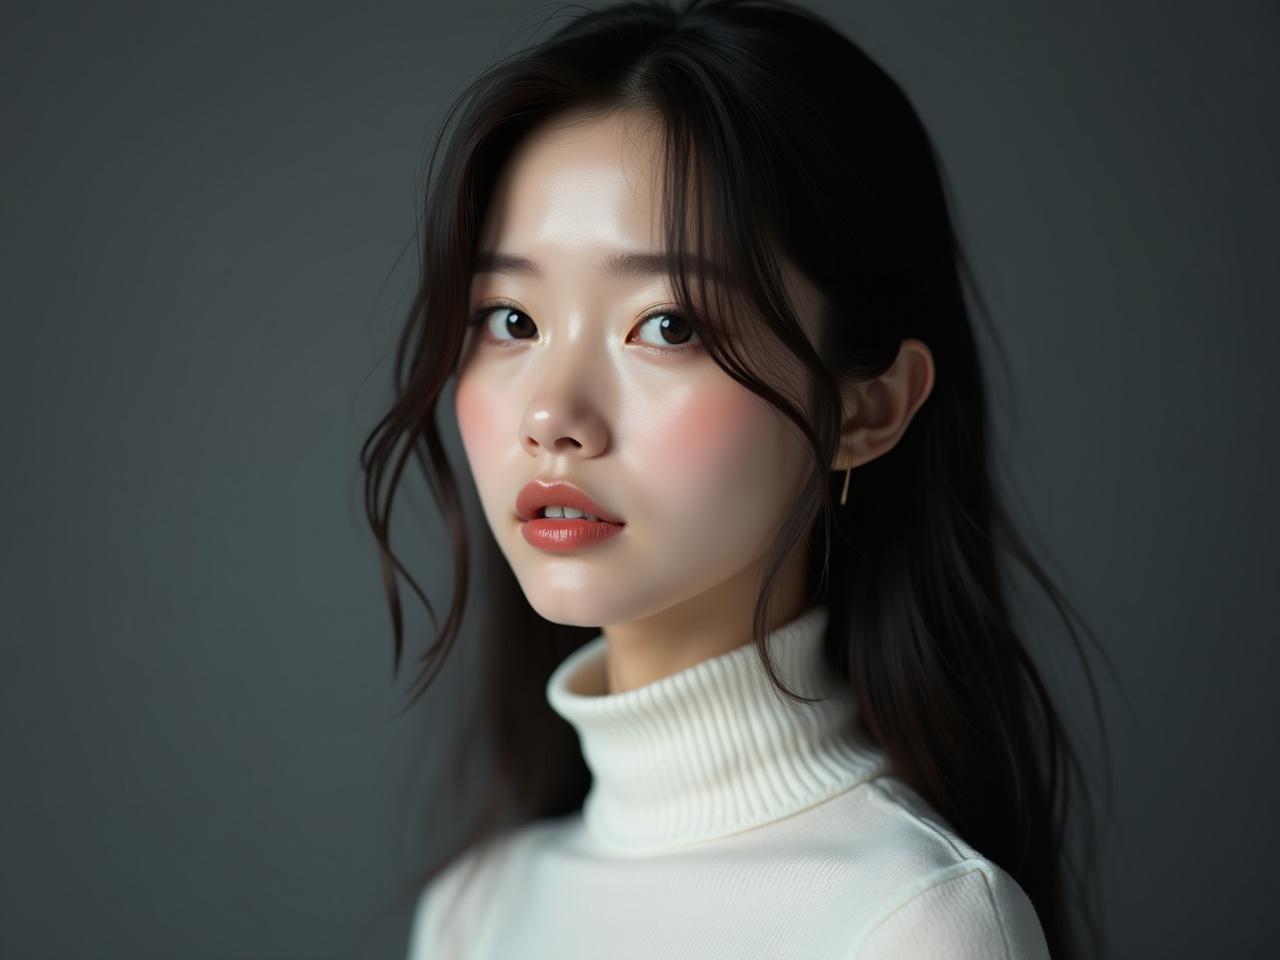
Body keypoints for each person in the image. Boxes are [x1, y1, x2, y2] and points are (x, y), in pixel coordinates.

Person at [360, 1, 1108, 956]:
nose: (552, 416)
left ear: (867, 408)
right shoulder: (473, 913)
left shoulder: (918, 923)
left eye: (668, 325)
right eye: (510, 320)